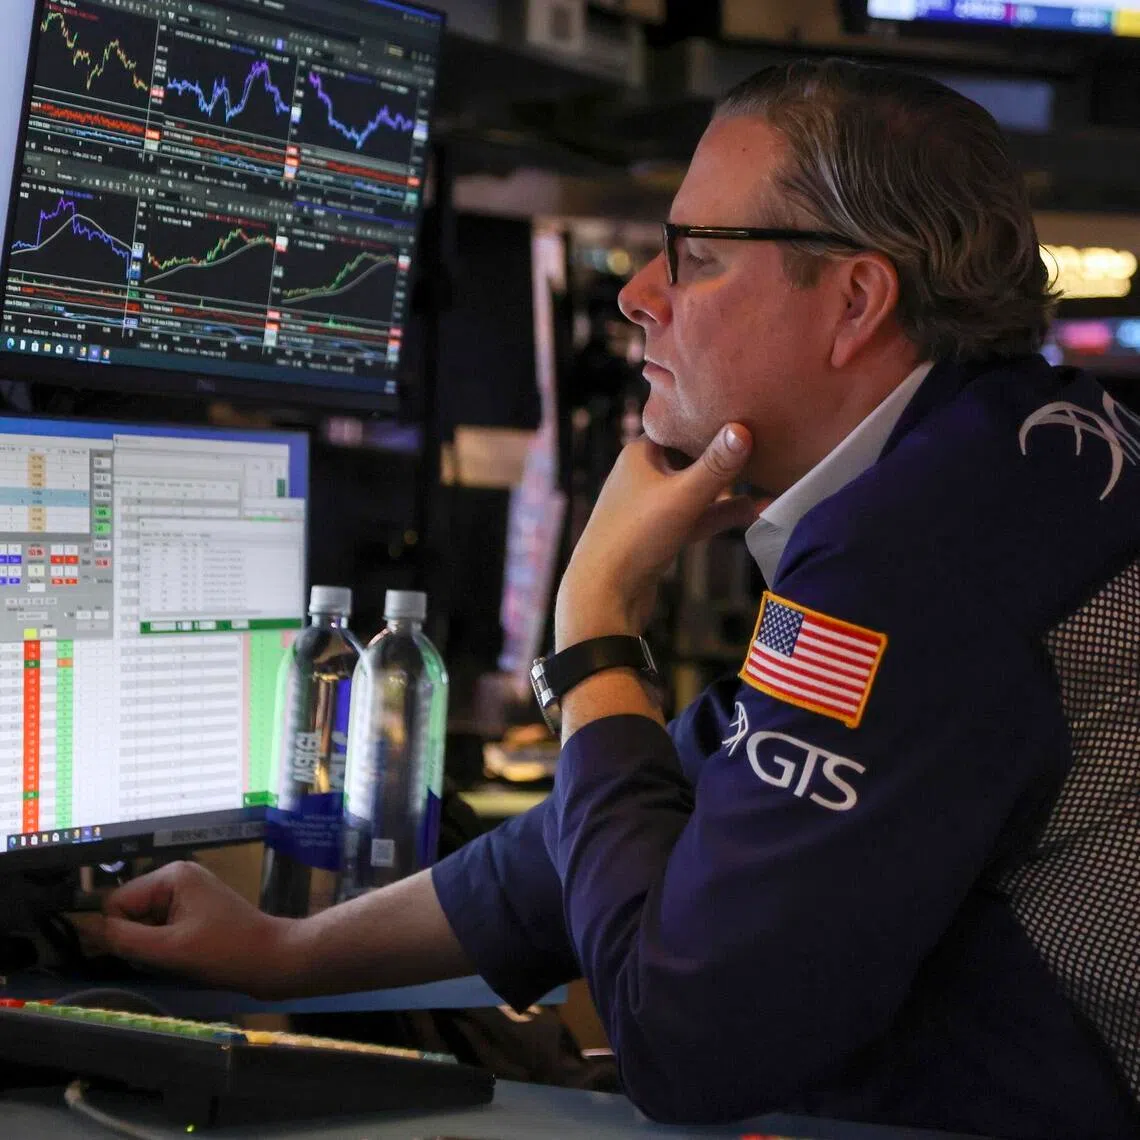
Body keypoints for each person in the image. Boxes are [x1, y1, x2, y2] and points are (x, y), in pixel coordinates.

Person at [89, 60, 1140, 1139]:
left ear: (856, 301)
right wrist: (286, 954)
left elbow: (683, 1043)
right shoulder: (1022, 451)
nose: (642, 293)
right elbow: (684, 789)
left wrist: (593, 626)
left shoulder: (916, 559)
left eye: (698, 256)